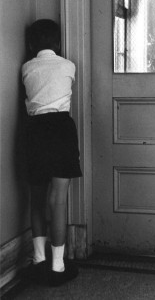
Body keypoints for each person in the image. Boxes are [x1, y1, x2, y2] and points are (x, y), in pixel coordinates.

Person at [22, 19, 82, 286]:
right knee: (58, 200)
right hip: (60, 130)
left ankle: (38, 260)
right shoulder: (68, 65)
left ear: (31, 44)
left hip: (34, 131)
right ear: (57, 43)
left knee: (36, 198)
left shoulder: (26, 68)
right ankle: (58, 265)